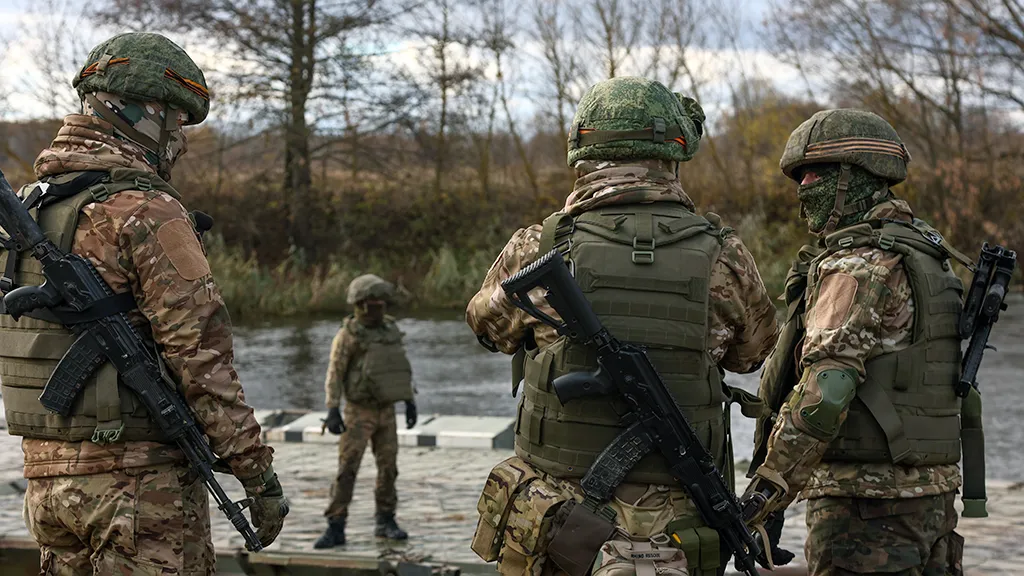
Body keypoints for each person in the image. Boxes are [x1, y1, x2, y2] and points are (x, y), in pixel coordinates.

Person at [465, 77, 778, 576]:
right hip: (680, 525)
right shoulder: (724, 254)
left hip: (553, 516)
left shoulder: (539, 246)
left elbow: (486, 328)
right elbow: (754, 354)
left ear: (583, 150)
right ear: (674, 152)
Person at [0, 33, 287, 575]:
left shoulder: (28, 210)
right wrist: (256, 475)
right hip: (138, 489)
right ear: (143, 115)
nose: (178, 140)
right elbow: (201, 359)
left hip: (48, 485)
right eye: (177, 123)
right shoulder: (146, 211)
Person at [742, 109, 968, 575]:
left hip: (864, 509)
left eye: (811, 175)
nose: (801, 192)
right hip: (934, 497)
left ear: (853, 177)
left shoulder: (857, 264)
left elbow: (827, 391)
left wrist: (766, 491)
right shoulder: (929, 253)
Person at [314, 274, 418, 548]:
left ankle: (386, 520)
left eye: (381, 302)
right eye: (372, 303)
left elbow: (399, 367)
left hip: (386, 410)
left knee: (388, 469)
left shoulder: (390, 331)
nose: (377, 308)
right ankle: (335, 525)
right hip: (358, 412)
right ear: (359, 304)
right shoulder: (348, 335)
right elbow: (334, 373)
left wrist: (409, 400)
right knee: (347, 469)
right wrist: (333, 409)